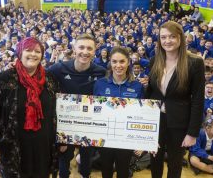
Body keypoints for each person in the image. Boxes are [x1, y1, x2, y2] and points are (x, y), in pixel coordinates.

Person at [0, 37, 59, 177]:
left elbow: (56, 112)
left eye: (37, 51)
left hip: (43, 145)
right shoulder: (5, 78)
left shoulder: (50, 79)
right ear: (19, 52)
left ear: (42, 55)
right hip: (13, 145)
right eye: (28, 50)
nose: (33, 54)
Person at [146, 21, 205, 178]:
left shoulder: (195, 63)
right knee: (155, 161)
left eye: (172, 36)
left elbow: (198, 100)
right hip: (156, 121)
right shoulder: (154, 61)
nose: (167, 41)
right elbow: (151, 94)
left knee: (175, 164)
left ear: (181, 38)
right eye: (163, 37)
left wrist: (192, 133)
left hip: (179, 123)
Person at [48, 33, 106, 178]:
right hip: (66, 124)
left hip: (89, 123)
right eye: (81, 47)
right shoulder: (58, 69)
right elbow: (38, 78)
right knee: (64, 158)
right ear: (74, 48)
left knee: (86, 160)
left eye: (89, 48)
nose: (85, 52)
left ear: (94, 51)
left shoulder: (101, 72)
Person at [93, 46, 144, 178]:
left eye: (122, 61)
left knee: (123, 171)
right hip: (105, 137)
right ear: (110, 62)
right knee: (106, 171)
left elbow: (141, 114)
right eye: (114, 62)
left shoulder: (137, 86)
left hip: (126, 139)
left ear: (128, 62)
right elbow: (94, 110)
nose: (118, 65)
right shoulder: (100, 84)